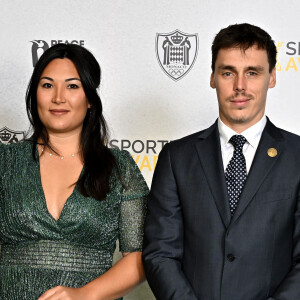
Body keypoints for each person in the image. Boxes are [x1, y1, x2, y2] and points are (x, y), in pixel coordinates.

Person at [142, 23, 300, 300]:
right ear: (213, 77)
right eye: (228, 72)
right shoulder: (176, 158)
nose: (240, 86)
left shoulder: (298, 156)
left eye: (252, 72)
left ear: (272, 77)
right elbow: (160, 254)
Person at [0, 43, 149, 300]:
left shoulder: (119, 167)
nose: (58, 97)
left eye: (72, 86)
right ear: (35, 94)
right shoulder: (5, 162)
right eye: (47, 85)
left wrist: (83, 295)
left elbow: (140, 256)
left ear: (90, 98)